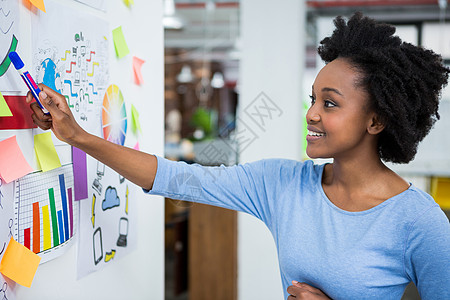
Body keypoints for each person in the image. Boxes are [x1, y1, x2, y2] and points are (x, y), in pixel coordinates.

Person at [28, 12, 450, 300]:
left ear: (376, 121)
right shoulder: (284, 184)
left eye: (331, 103)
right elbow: (179, 179)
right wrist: (79, 137)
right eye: (313, 99)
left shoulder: (418, 221)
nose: (312, 113)